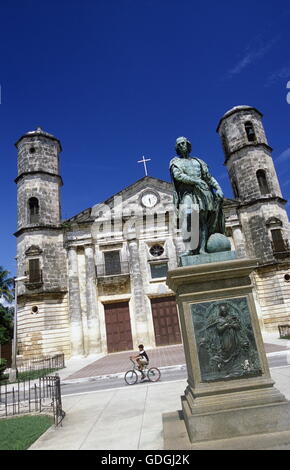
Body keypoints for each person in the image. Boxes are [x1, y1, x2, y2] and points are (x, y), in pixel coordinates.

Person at [170, 136, 225, 255]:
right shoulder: (175, 162)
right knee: (186, 218)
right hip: (187, 193)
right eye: (179, 145)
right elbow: (177, 176)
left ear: (188, 145)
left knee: (202, 222)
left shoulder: (198, 162)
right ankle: (189, 249)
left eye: (183, 143)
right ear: (177, 148)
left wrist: (218, 188)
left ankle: (202, 249)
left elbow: (208, 177)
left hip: (203, 193)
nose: (181, 146)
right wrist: (195, 181)